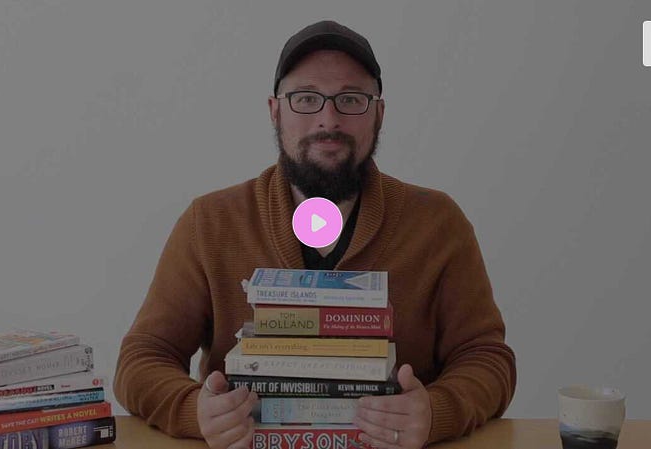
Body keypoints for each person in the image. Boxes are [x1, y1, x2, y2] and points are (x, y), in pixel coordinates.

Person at [114, 20, 516, 449]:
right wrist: (194, 410)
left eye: (351, 99)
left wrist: (436, 411)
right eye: (306, 99)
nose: (329, 120)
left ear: (379, 114)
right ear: (275, 111)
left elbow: (487, 359)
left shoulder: (438, 223)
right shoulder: (209, 223)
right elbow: (141, 360)